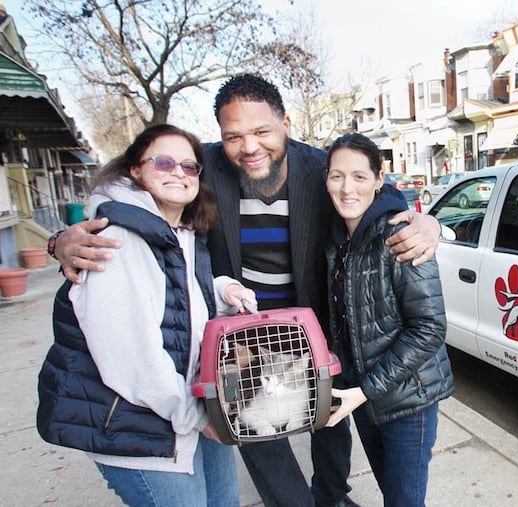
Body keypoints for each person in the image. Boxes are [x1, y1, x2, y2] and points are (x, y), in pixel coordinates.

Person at [49, 75, 442, 507]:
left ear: (286, 124)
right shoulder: (202, 169)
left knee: (328, 424)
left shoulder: (319, 168)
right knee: (257, 433)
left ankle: (331, 496)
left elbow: (373, 195)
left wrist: (430, 223)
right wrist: (61, 239)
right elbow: (131, 193)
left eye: (261, 132)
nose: (249, 146)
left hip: (313, 329)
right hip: (239, 337)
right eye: (233, 135)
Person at [37, 124, 257, 506]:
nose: (179, 172)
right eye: (165, 162)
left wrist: (221, 289)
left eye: (190, 167)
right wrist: (197, 418)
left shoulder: (176, 232)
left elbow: (176, 295)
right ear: (135, 170)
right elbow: (129, 354)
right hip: (142, 424)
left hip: (188, 406)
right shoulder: (117, 240)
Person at [323, 133, 454, 507]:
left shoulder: (401, 234)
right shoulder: (337, 242)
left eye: (359, 176)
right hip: (365, 398)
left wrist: (364, 390)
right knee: (395, 496)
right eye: (337, 176)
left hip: (408, 401)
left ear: (380, 180)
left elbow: (429, 329)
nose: (347, 188)